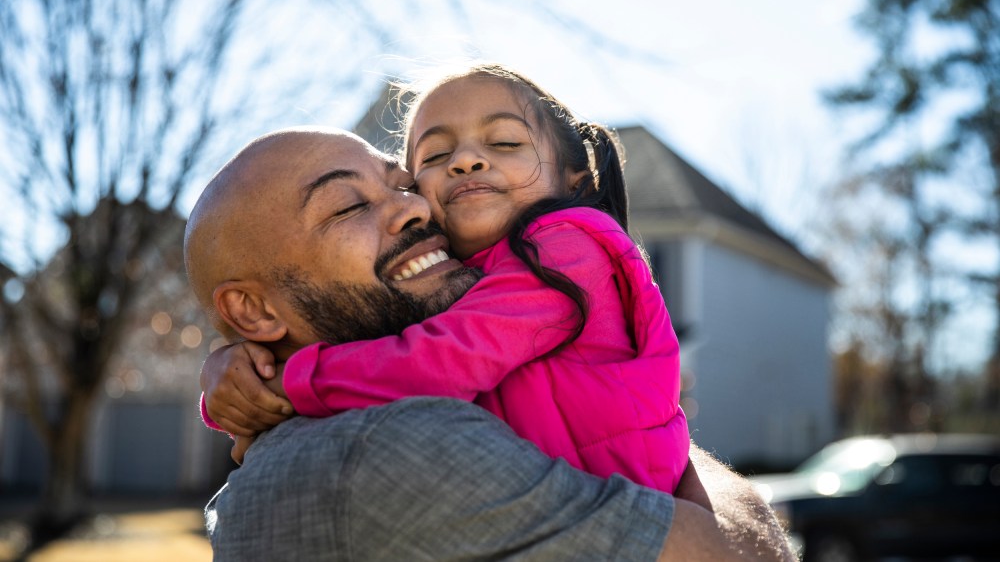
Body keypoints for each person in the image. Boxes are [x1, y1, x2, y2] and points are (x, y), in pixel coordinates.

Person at [185, 126, 793, 560]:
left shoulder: (311, 443)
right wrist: (651, 414)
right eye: (348, 206)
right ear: (253, 311)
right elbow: (749, 554)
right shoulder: (394, 447)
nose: (415, 207)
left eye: (401, 183)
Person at [204, 63, 688, 493]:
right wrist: (237, 367)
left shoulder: (568, 248)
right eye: (434, 158)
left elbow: (441, 358)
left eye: (504, 142)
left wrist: (290, 384)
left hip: (624, 511)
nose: (466, 160)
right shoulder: (459, 278)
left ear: (573, 181)